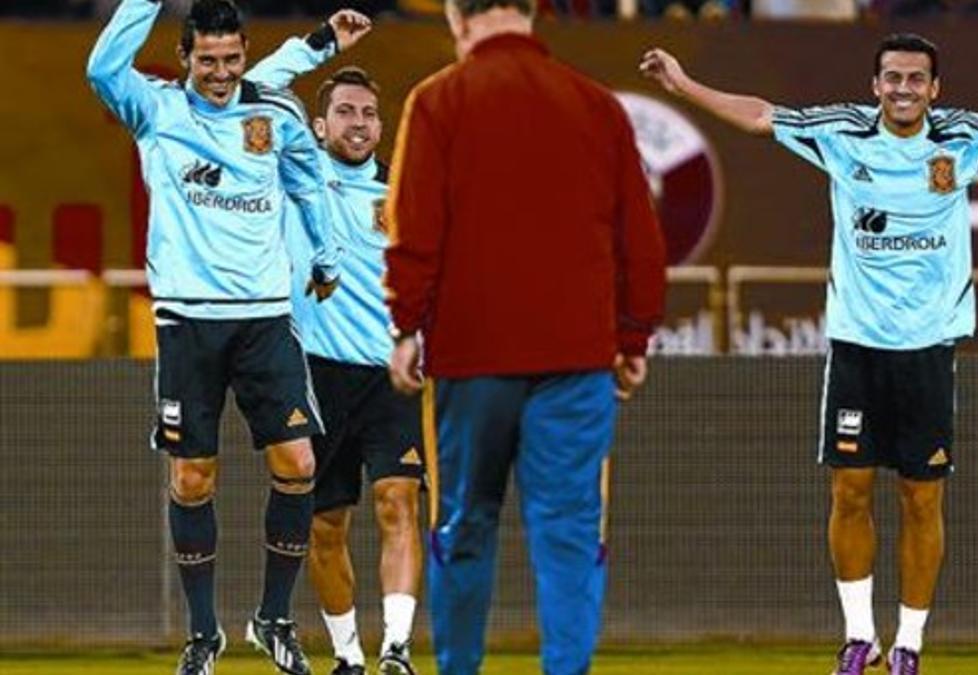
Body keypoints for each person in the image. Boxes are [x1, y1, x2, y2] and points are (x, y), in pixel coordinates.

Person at [640, 33, 978, 675]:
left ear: (934, 89)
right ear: (875, 85)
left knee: (921, 499)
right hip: (857, 344)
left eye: (915, 79)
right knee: (850, 492)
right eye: (892, 78)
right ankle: (860, 638)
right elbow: (760, 114)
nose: (902, 89)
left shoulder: (962, 137)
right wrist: (685, 86)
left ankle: (909, 644)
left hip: (929, 349)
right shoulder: (841, 132)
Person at [382, 0, 667, 671]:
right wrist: (631, 339)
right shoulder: (596, 105)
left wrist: (405, 327)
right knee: (569, 533)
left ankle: (459, 666)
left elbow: (413, 230)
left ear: (458, 17)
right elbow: (641, 239)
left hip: (471, 359)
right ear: (533, 11)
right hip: (576, 360)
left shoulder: (438, 101)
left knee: (464, 525)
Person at [86, 1, 344, 674]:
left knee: (299, 464)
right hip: (187, 323)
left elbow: (310, 183)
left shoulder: (275, 116)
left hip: (263, 319)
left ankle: (274, 619)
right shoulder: (157, 111)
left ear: (244, 52)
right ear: (185, 58)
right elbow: (100, 66)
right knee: (193, 476)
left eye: (233, 59)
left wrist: (326, 255)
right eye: (208, 61)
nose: (222, 73)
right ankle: (203, 634)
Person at [246, 12, 425, 675]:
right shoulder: (293, 174)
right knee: (327, 525)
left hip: (390, 372)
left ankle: (396, 651)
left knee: (399, 500)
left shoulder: (403, 190)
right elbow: (256, 85)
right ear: (318, 126)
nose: (358, 122)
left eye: (369, 113)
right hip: (313, 371)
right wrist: (321, 44)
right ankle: (347, 655)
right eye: (345, 110)